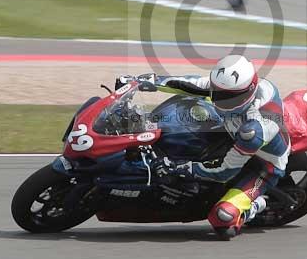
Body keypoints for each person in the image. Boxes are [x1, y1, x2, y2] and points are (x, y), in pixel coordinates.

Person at [118, 55, 290, 239]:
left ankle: (257, 205)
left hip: (264, 164)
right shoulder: (230, 88)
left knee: (223, 218)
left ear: (248, 93)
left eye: (227, 98)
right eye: (217, 92)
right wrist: (141, 82)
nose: (219, 100)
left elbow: (225, 171)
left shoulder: (256, 129)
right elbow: (190, 83)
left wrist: (179, 168)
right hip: (231, 133)